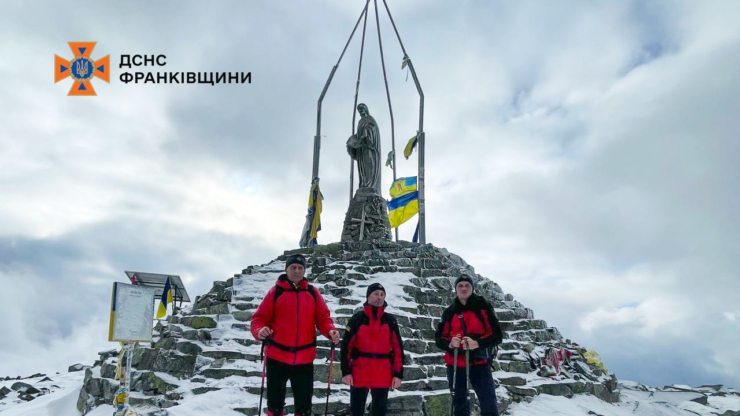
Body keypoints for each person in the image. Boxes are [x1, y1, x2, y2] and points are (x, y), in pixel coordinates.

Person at [251, 254, 341, 416]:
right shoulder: (275, 292)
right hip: (276, 357)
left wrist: (330, 331)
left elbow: (323, 318)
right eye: (293, 267)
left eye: (300, 268)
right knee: (275, 405)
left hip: (304, 359)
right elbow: (259, 319)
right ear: (286, 270)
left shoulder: (312, 293)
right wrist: (260, 330)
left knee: (304, 406)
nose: (297, 271)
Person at [435, 274, 503, 416]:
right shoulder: (449, 311)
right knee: (459, 404)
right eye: (460, 285)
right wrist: (450, 344)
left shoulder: (483, 307)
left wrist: (476, 343)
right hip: (455, 364)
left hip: (479, 362)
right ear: (456, 289)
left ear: (472, 288)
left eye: (467, 285)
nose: (464, 288)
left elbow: (497, 335)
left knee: (488, 403)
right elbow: (439, 339)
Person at [340, 283, 405, 416]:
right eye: (376, 294)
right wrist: (346, 371)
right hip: (359, 370)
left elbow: (398, 348)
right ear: (368, 296)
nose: (379, 297)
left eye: (382, 295)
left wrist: (398, 374)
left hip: (383, 372)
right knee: (356, 410)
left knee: (380, 411)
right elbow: (346, 347)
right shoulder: (357, 319)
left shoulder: (390, 320)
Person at [346, 103, 382, 194]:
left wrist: (367, 132)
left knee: (370, 165)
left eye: (362, 109)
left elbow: (372, 130)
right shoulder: (360, 122)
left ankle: (370, 185)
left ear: (366, 109)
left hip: (370, 148)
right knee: (363, 169)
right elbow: (358, 136)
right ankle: (364, 184)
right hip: (362, 150)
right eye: (359, 110)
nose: (361, 111)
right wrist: (353, 140)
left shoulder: (370, 120)